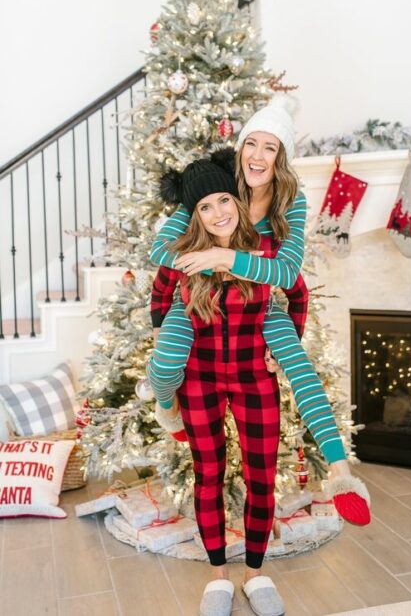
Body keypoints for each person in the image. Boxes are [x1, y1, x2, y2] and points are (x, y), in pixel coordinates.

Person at [148, 102, 371, 527]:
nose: (256, 155)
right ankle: (166, 406)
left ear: (281, 157)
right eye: (250, 143)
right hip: (200, 300)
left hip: (260, 304)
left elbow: (288, 274)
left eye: (269, 147)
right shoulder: (219, 187)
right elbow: (162, 253)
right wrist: (216, 258)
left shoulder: (292, 202)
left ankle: (342, 473)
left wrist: (226, 256)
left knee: (300, 368)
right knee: (167, 364)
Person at [152, 154, 288, 616]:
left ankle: (255, 573)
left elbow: (299, 290)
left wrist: (284, 347)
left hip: (254, 380)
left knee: (261, 476)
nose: (217, 213)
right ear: (194, 215)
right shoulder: (182, 256)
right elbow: (158, 294)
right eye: (205, 206)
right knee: (208, 474)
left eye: (224, 199)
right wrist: (163, 337)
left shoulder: (265, 251)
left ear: (238, 199)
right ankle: (218, 576)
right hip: (200, 381)